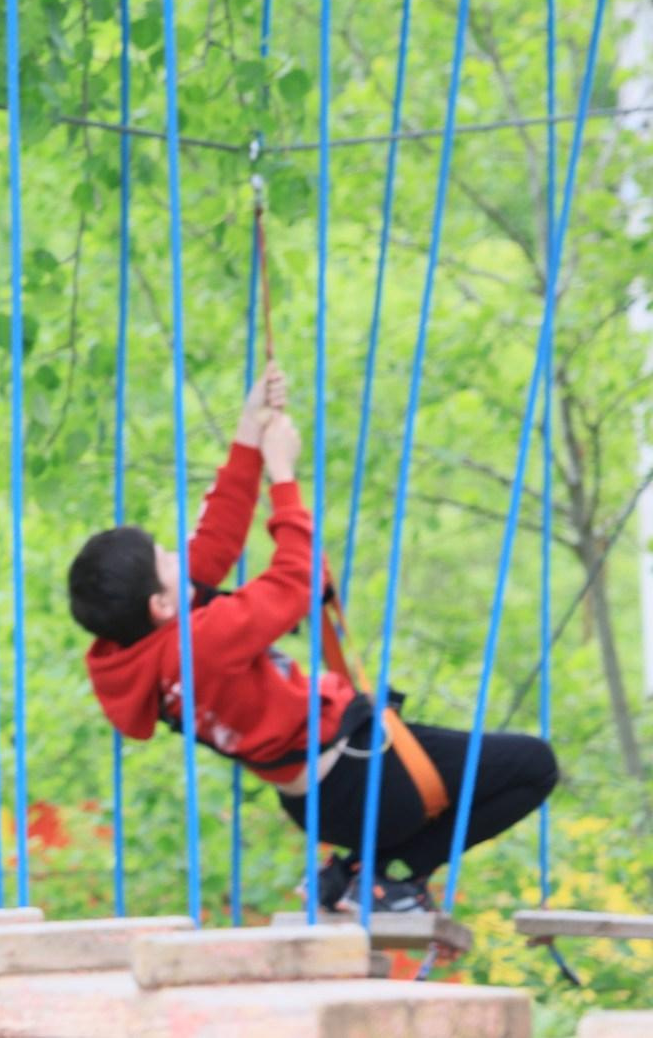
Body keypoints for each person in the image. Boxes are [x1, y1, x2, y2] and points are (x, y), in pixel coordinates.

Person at [67, 366, 559, 912]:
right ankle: (393, 875)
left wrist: (249, 432)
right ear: (161, 605)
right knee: (533, 766)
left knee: (487, 768)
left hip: (320, 794)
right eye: (168, 561)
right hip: (365, 777)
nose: (182, 560)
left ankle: (352, 873)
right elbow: (300, 579)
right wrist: (283, 475)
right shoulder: (202, 642)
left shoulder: (140, 650)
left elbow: (216, 538)